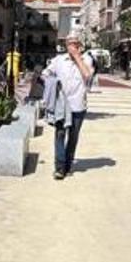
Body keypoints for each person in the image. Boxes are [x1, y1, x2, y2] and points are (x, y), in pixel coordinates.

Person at [41, 32, 94, 180]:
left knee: (73, 137)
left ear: (80, 45)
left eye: (75, 43)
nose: (72, 45)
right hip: (61, 106)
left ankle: (68, 165)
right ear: (66, 45)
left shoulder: (86, 60)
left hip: (78, 105)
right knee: (59, 135)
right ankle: (59, 167)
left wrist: (77, 57)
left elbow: (87, 75)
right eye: (70, 43)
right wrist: (51, 83)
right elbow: (46, 74)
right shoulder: (58, 60)